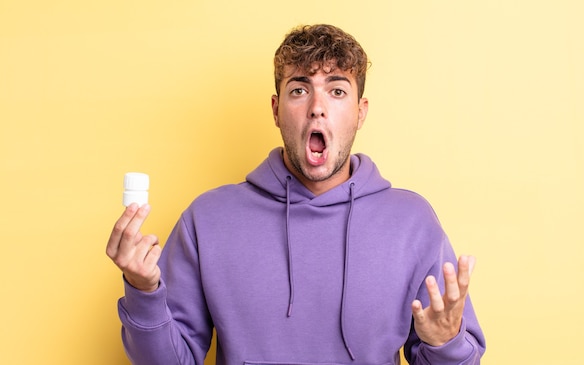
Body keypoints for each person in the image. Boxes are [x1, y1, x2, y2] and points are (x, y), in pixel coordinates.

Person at [106, 24, 486, 365]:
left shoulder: (412, 223)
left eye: (337, 90)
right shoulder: (207, 219)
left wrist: (445, 345)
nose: (317, 109)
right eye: (299, 90)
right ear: (276, 109)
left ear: (360, 112)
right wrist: (144, 291)